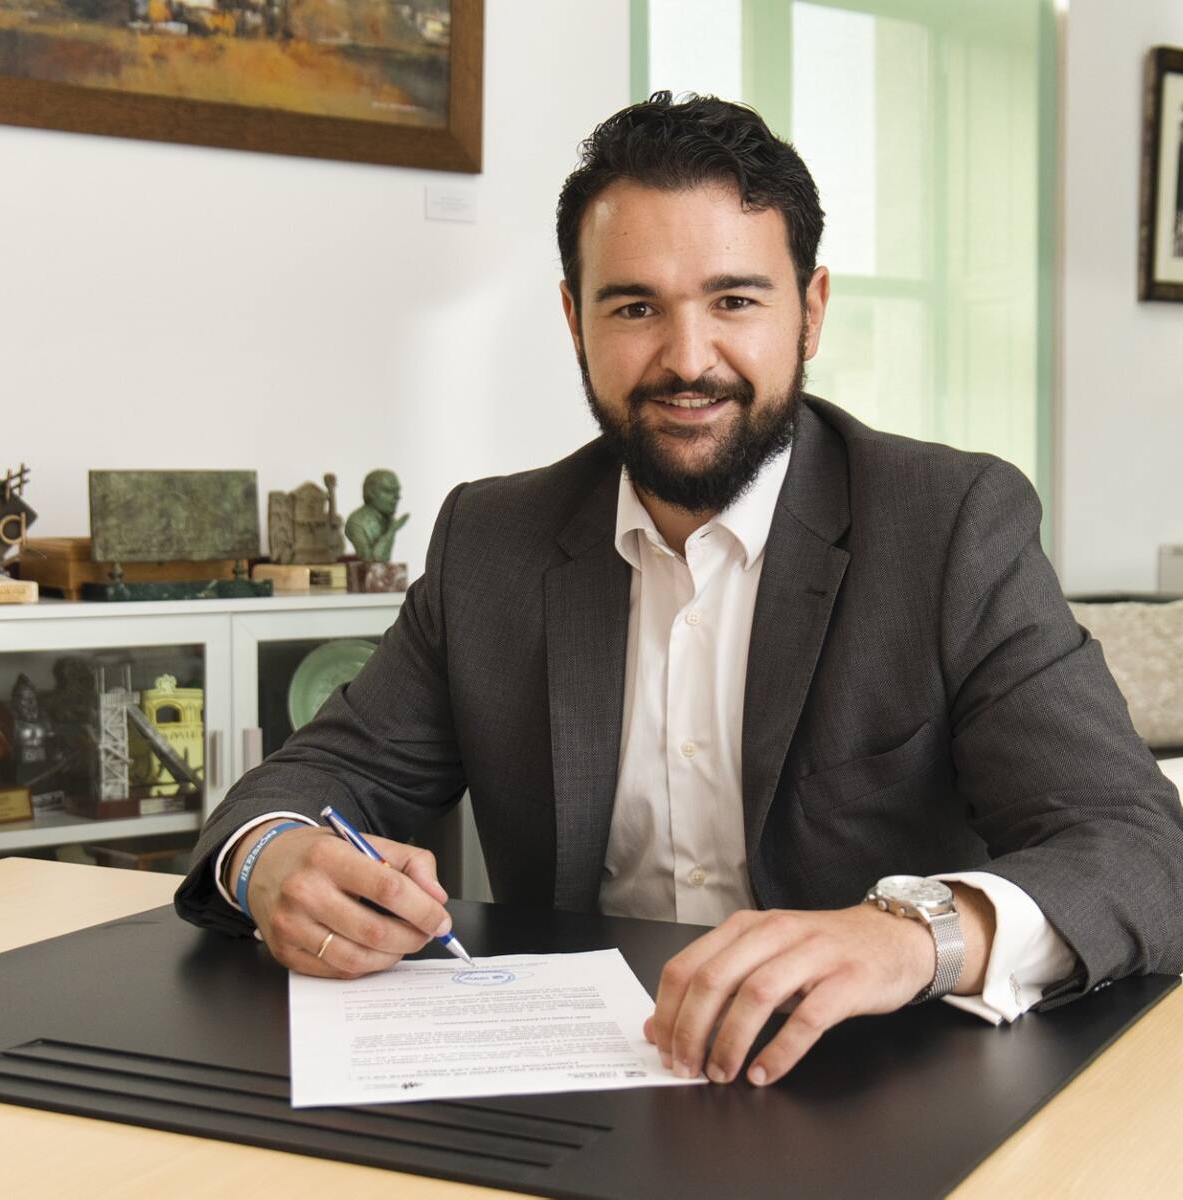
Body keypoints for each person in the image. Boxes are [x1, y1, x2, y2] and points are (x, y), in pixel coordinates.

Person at [176, 92, 1183, 1089]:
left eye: (735, 301)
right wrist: (274, 860)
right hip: (572, 1082)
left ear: (811, 311)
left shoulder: (950, 525)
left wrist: (907, 935)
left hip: (875, 1089)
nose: (688, 359)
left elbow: (1138, 849)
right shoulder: (493, 541)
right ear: (574, 320)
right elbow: (318, 778)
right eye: (635, 308)